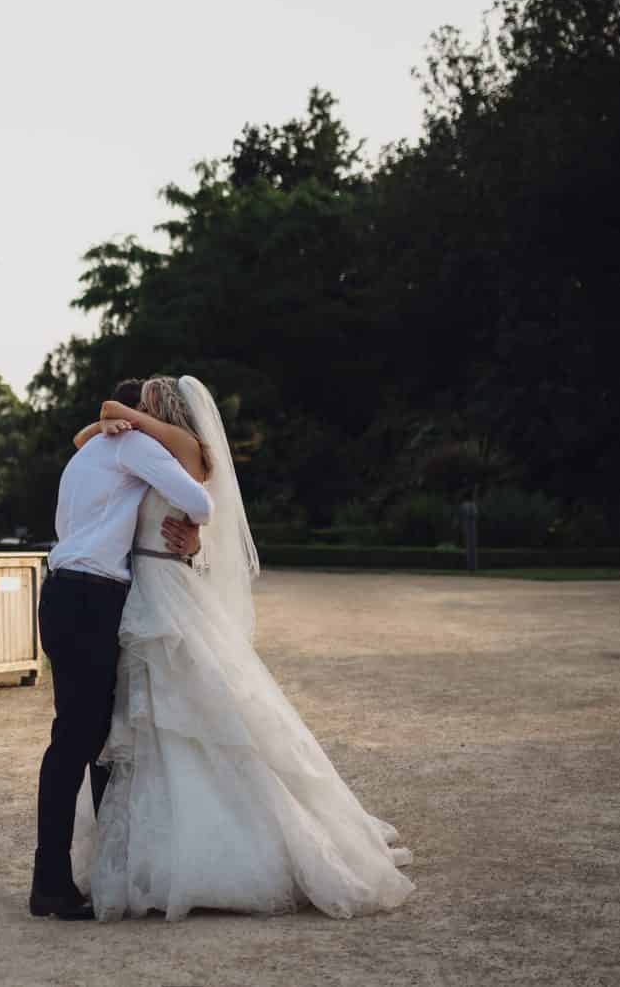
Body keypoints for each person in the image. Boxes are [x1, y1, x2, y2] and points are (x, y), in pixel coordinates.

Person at [71, 376, 414, 920]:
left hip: (164, 591)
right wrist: (108, 422)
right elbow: (88, 443)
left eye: (150, 407)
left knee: (193, 706)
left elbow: (170, 472)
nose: (141, 414)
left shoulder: (184, 447)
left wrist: (118, 414)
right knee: (153, 719)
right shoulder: (151, 452)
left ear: (168, 412)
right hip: (149, 585)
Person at [30, 378, 209, 919]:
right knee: (82, 741)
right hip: (91, 599)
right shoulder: (132, 444)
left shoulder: (90, 452)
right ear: (140, 415)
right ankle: (52, 883)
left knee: (96, 738)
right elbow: (198, 500)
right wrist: (195, 528)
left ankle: (100, 869)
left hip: (62, 591)